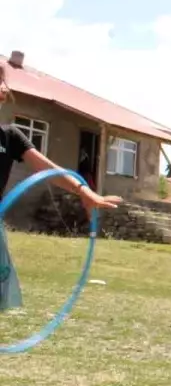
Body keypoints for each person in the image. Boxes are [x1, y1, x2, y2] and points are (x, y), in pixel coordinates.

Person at [0, 64, 120, 312]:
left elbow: (49, 169)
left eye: (3, 81)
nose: (3, 88)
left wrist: (84, 191)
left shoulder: (10, 137)